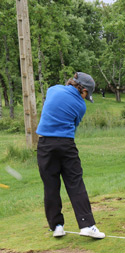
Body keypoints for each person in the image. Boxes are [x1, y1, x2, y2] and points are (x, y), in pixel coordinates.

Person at [36, 72, 105, 239]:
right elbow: (74, 125)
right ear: (83, 89)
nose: (85, 97)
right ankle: (87, 225)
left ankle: (57, 226)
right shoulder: (81, 106)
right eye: (86, 94)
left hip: (44, 144)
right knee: (75, 184)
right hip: (66, 144)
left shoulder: (53, 90)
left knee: (51, 185)